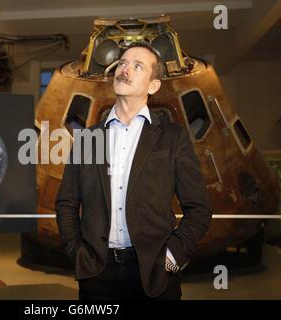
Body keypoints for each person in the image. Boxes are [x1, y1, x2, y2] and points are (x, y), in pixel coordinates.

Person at [55, 42, 212, 300]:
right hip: (96, 275)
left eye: (137, 66)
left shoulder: (173, 138)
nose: (124, 70)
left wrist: (173, 256)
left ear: (153, 85)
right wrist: (77, 252)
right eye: (122, 63)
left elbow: (199, 208)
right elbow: (66, 202)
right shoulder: (88, 139)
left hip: (154, 273)